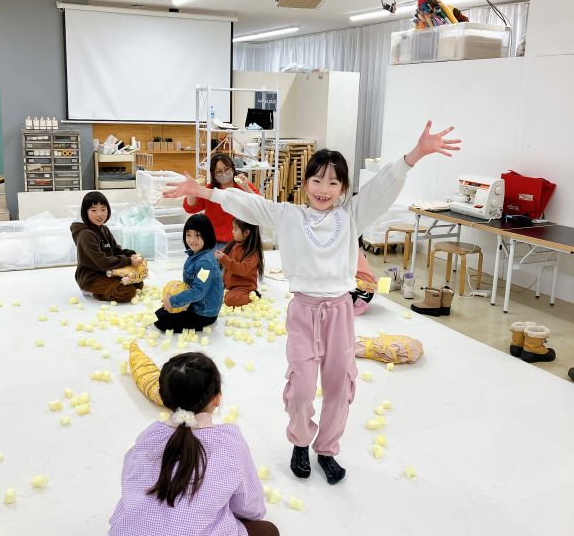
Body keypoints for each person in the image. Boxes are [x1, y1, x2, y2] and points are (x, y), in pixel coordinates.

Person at [164, 121, 460, 485]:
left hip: (340, 312)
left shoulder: (351, 215)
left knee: (339, 386)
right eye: (317, 180)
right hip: (304, 311)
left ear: (343, 188)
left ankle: (327, 449)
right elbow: (251, 204)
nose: (324, 189)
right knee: (302, 386)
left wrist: (415, 155)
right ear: (305, 184)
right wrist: (204, 192)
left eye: (333, 182)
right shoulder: (290, 216)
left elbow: (383, 186)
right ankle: (301, 442)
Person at [109, 352, 279, 536]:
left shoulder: (149, 437)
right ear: (217, 398)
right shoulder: (229, 442)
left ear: (163, 397)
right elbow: (251, 508)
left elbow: (130, 484)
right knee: (269, 531)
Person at [154, 214, 224, 333]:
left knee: (162, 322)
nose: (192, 240)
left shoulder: (205, 264)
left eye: (197, 235)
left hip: (204, 313)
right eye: (188, 235)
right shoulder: (196, 255)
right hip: (195, 305)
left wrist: (173, 301)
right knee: (161, 313)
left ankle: (203, 323)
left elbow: (198, 291)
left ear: (207, 236)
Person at [70, 191, 144, 303]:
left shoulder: (104, 229)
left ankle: (108, 287)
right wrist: (129, 261)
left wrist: (131, 254)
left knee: (138, 284)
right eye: (94, 210)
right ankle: (91, 291)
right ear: (85, 212)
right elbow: (102, 262)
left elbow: (116, 250)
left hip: (108, 272)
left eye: (103, 209)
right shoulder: (85, 235)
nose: (99, 214)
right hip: (92, 277)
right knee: (127, 293)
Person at [183, 154, 260, 250]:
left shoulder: (242, 185)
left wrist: (246, 187)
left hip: (241, 242)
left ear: (232, 169)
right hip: (214, 241)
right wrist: (193, 190)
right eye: (219, 171)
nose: (224, 173)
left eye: (227, 169)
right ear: (214, 175)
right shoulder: (210, 190)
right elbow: (190, 207)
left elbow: (260, 205)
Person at [216, 219, 264, 307]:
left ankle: (253, 296)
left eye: (235, 229)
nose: (232, 231)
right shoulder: (234, 244)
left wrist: (224, 259)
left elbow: (242, 270)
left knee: (230, 300)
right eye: (233, 228)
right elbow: (222, 253)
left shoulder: (253, 254)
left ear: (246, 232)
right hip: (230, 285)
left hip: (244, 287)